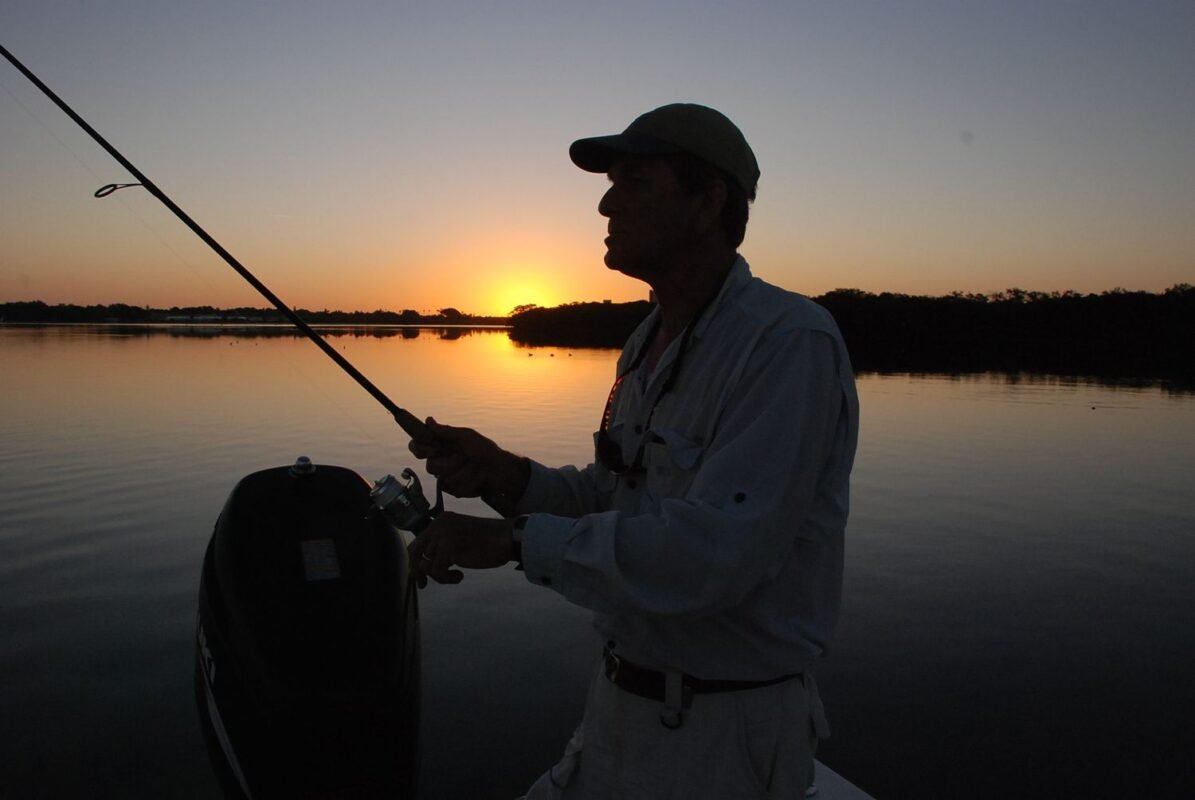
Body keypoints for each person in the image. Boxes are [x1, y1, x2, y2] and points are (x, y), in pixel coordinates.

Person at [408, 103, 859, 799]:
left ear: (708, 202)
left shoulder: (787, 342)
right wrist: (509, 476)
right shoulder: (648, 340)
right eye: (611, 181)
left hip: (724, 738)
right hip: (618, 708)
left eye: (635, 181)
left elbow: (714, 555)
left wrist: (511, 541)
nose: (605, 203)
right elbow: (616, 496)